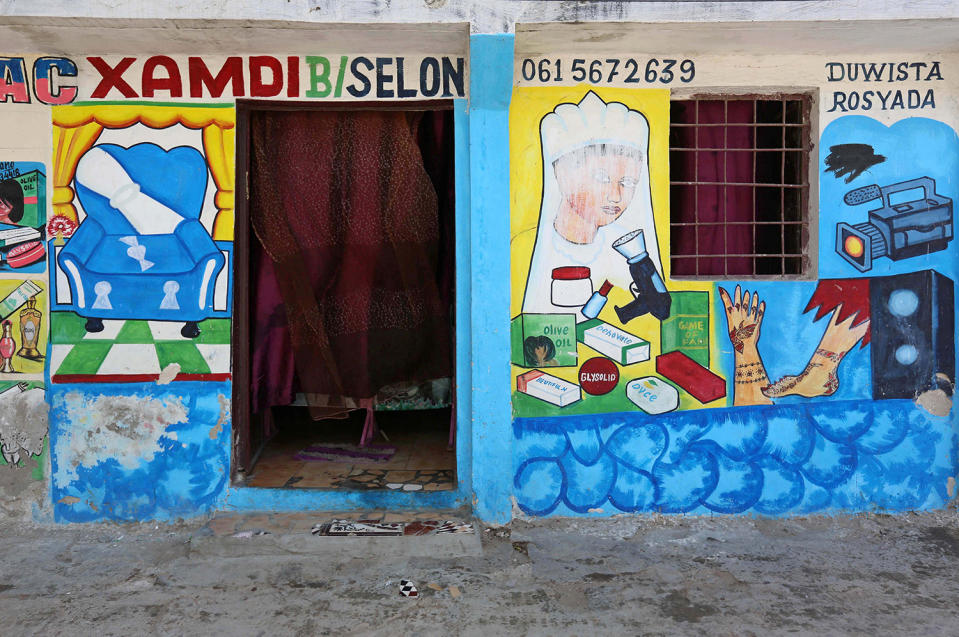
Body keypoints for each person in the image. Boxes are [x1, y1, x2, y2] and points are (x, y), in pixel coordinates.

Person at [519, 91, 663, 314]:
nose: (615, 196)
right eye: (602, 179)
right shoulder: (523, 246)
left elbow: (658, 310)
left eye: (627, 182)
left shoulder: (625, 247)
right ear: (563, 174)